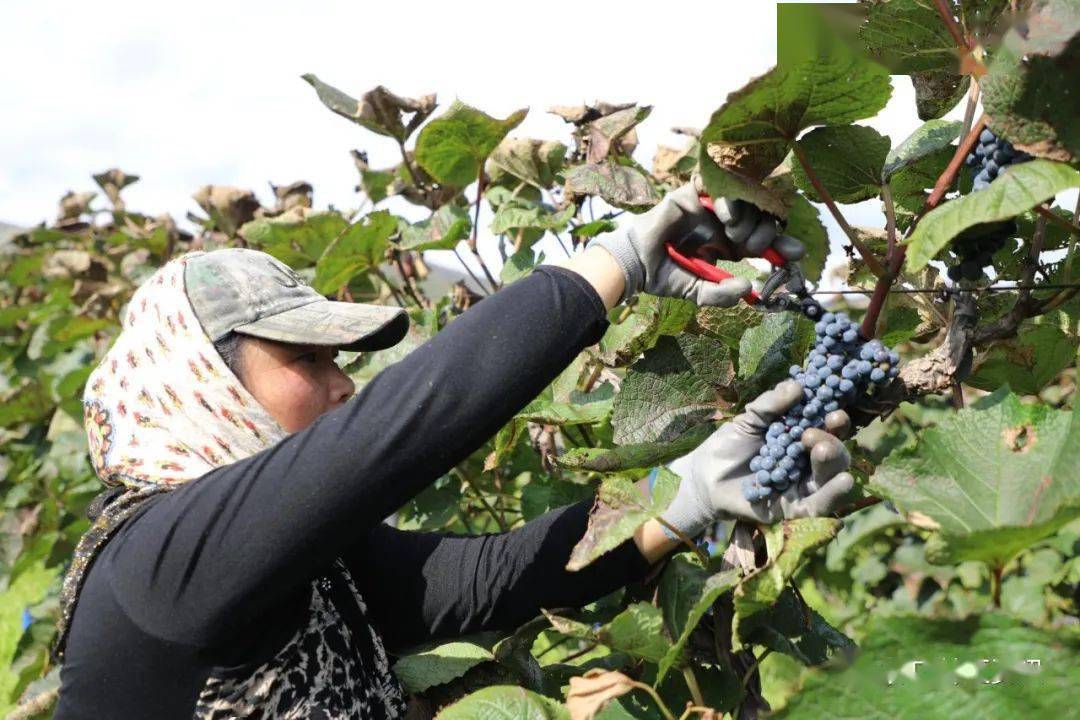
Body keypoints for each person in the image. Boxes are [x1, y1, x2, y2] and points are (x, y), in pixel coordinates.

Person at [52, 182, 854, 719]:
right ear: (197, 382)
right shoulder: (159, 564)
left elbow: (490, 578)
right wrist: (617, 263)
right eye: (307, 361)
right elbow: (393, 435)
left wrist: (687, 497)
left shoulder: (315, 575)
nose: (343, 387)